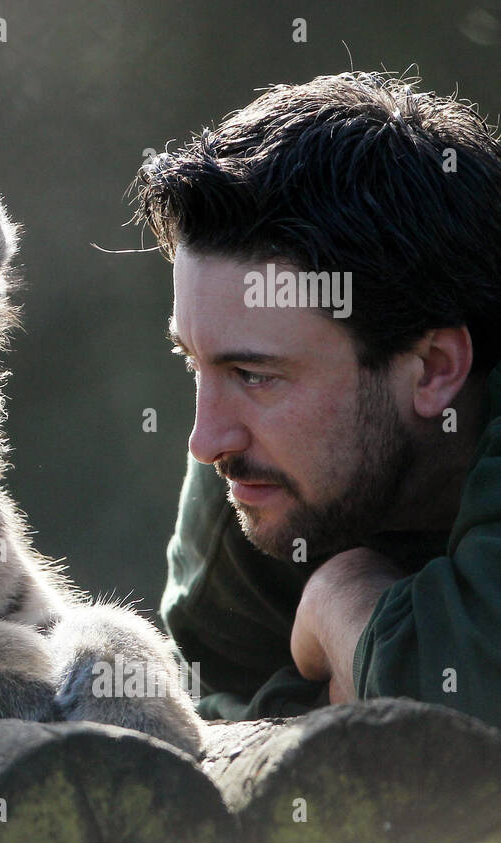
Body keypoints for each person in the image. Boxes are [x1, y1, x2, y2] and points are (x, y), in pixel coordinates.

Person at [131, 71, 501, 725]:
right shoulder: (261, 482)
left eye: (255, 374)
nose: (207, 441)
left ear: (434, 369)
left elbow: (478, 705)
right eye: (194, 364)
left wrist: (345, 601)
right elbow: (206, 723)